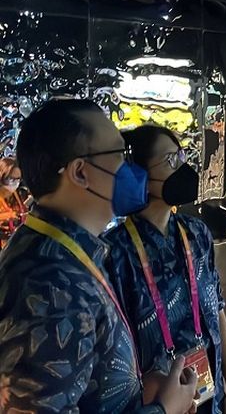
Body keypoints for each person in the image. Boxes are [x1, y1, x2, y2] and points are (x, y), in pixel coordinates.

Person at [0, 99, 197, 413]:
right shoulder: (51, 286)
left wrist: (132, 391)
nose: (131, 168)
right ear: (80, 172)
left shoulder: (68, 253)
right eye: (119, 154)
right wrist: (164, 410)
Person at [104, 125, 226, 414]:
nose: (182, 168)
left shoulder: (196, 233)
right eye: (170, 160)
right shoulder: (116, 252)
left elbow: (217, 309)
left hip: (211, 395)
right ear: (139, 175)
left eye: (181, 156)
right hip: (157, 403)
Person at [0, 157, 28, 248]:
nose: (15, 183)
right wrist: (9, 216)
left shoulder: (18, 194)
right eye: (11, 179)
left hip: (18, 243)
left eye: (18, 179)